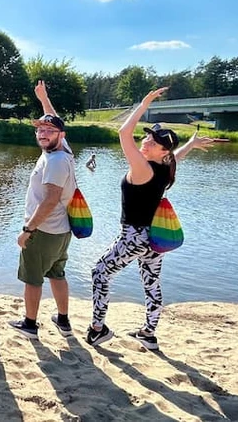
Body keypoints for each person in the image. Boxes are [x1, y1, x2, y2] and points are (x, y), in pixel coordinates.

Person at [85, 87, 213, 351]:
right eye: (147, 139)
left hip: (133, 236)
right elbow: (175, 157)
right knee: (151, 281)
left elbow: (123, 134)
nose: (145, 143)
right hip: (153, 239)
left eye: (152, 142)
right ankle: (149, 333)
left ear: (161, 151)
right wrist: (191, 144)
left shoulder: (143, 168)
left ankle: (98, 329)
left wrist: (144, 104)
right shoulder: (165, 168)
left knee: (99, 273)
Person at [8, 80, 77, 339]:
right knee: (57, 273)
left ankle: (29, 324)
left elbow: (49, 201)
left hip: (44, 231)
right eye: (40, 129)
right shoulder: (63, 152)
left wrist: (28, 230)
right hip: (61, 231)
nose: (43, 133)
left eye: (49, 130)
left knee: (33, 278)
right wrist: (44, 99)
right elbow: (57, 121)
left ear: (61, 135)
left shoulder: (56, 161)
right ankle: (63, 321)